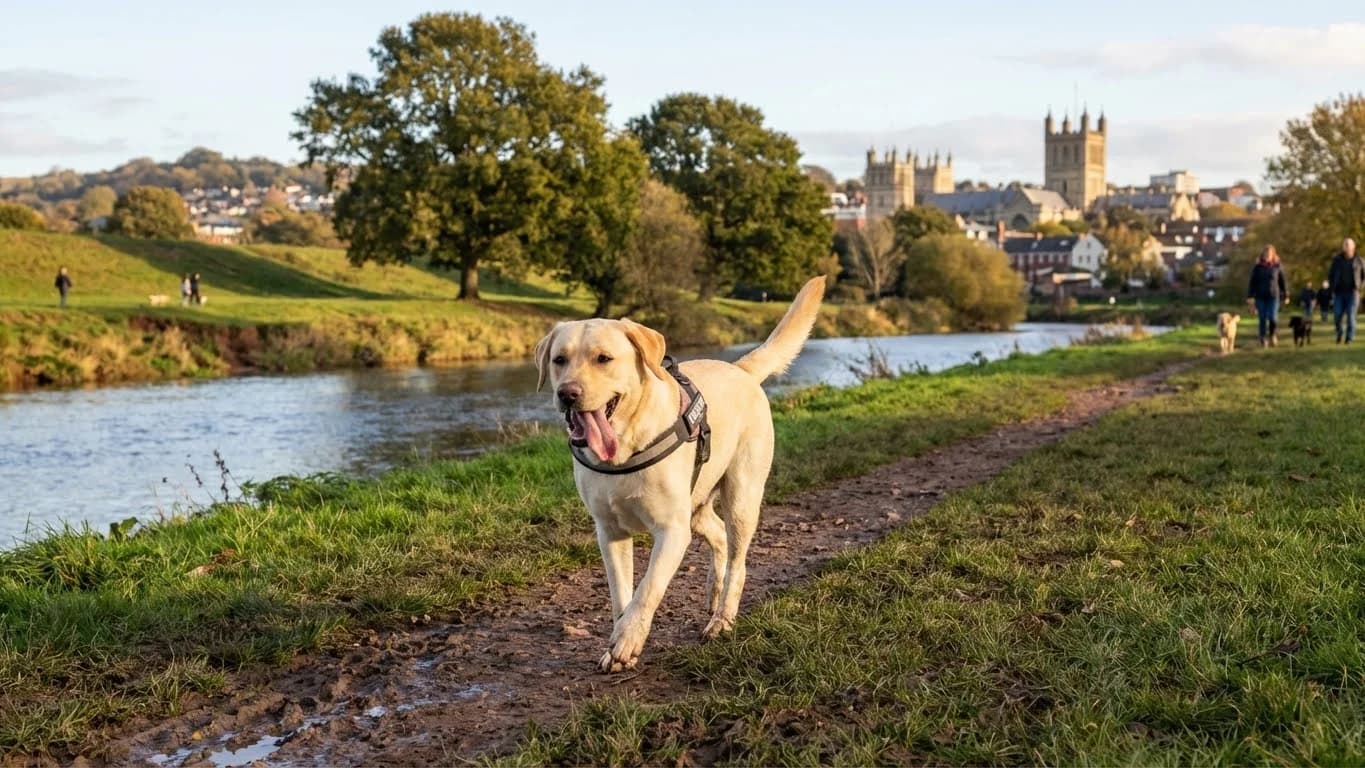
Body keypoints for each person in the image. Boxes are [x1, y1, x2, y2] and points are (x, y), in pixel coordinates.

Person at [1246, 245, 1288, 347]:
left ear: (1273, 255)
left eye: (1269, 254)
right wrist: (1250, 296)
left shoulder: (1277, 266)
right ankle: (1263, 337)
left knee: (1273, 317)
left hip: (1274, 296)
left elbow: (1282, 281)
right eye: (1265, 254)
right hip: (1260, 296)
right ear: (1263, 255)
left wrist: (1286, 294)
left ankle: (1273, 335)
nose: (1267, 256)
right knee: (1262, 318)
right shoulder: (1258, 267)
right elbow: (1253, 282)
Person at [1327, 237, 1364, 344]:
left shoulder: (1359, 261)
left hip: (1353, 293)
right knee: (1337, 315)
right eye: (1345, 244)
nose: (1346, 246)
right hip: (1339, 293)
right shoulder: (1337, 260)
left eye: (1348, 244)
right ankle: (1339, 334)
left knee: (1351, 316)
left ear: (1353, 247)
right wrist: (1332, 288)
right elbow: (1331, 275)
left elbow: (1363, 276)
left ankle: (1349, 338)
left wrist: (1360, 287)